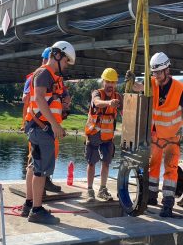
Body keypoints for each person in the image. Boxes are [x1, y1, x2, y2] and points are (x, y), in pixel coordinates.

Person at [21, 41, 76, 224]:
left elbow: (46, 100)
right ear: (58, 56)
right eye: (66, 60)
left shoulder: (50, 76)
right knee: (41, 171)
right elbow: (38, 98)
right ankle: (36, 210)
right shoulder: (44, 73)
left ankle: (29, 204)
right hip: (42, 128)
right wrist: (54, 125)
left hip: (40, 128)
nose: (67, 65)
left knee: (34, 167)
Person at [125, 52, 183, 217]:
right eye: (153, 72)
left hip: (172, 137)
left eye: (158, 72)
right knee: (153, 167)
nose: (155, 75)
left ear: (167, 70)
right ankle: (151, 198)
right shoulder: (151, 83)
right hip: (156, 136)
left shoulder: (179, 89)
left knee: (171, 171)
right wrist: (132, 80)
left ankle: (168, 204)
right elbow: (139, 87)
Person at [21, 47, 65, 193]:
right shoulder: (38, 75)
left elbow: (61, 95)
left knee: (45, 161)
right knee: (34, 163)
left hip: (50, 126)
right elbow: (30, 99)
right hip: (39, 124)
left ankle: (43, 185)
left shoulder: (54, 78)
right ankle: (34, 197)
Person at [84, 68, 123, 202]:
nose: (110, 85)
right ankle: (90, 190)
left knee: (106, 162)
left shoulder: (118, 97)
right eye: (108, 81)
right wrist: (108, 103)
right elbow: (96, 102)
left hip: (108, 135)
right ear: (103, 81)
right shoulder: (97, 93)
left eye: (113, 82)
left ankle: (102, 189)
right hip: (94, 132)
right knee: (91, 162)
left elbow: (126, 108)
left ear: (116, 83)